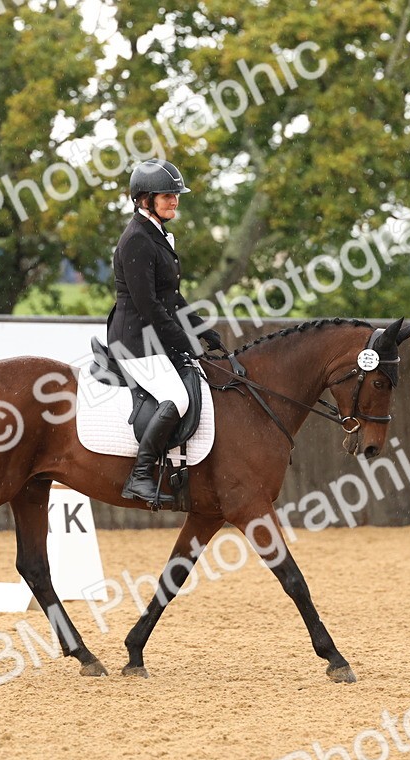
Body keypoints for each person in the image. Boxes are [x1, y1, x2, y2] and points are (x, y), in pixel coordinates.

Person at [106, 159, 224, 504]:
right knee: (178, 397)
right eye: (167, 195)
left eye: (176, 195)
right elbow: (149, 306)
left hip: (152, 335)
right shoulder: (136, 240)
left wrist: (202, 330)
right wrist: (184, 341)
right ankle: (140, 476)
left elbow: (171, 296)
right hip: (134, 341)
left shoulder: (156, 235)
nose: (174, 201)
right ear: (145, 199)